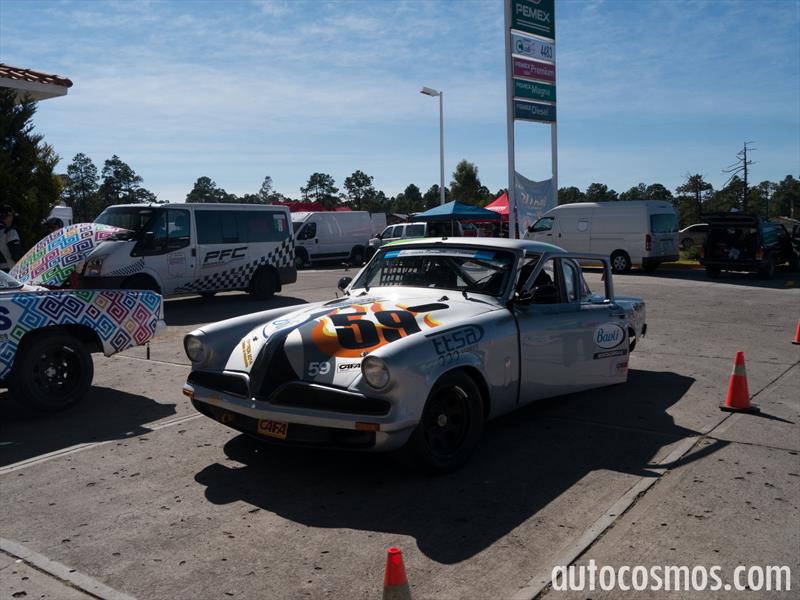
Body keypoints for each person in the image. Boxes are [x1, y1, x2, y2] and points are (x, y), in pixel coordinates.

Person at [0, 205, 23, 272]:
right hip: (9, 272)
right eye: (12, 216)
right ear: (8, 216)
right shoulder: (10, 232)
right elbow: (16, 255)